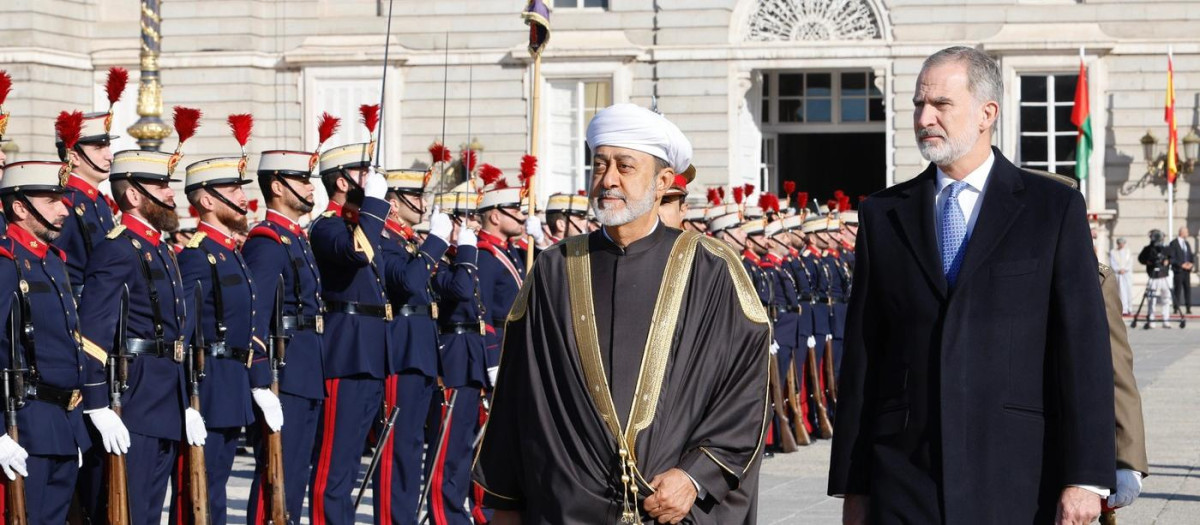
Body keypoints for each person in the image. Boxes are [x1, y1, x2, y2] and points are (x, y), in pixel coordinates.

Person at [828, 47, 1115, 525]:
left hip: (1016, 473)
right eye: (919, 104)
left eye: (941, 104)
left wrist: (1086, 477)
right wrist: (852, 486)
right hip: (905, 475)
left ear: (987, 113)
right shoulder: (884, 214)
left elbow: (1083, 350)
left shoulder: (1050, 209)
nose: (924, 118)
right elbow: (863, 357)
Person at [474, 103, 771, 524]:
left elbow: (745, 387)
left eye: (625, 166)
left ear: (662, 182)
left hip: (672, 507)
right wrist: (506, 504)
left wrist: (695, 476)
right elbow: (518, 394)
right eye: (600, 165)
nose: (608, 179)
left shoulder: (712, 268)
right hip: (567, 509)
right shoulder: (554, 268)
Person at [77, 149, 198, 525]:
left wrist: (186, 400)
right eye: (160, 186)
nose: (170, 193)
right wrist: (96, 404)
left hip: (165, 395)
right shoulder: (117, 249)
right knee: (123, 509)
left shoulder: (160, 248)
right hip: (133, 395)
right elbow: (91, 333)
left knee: (147, 511)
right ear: (133, 195)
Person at [170, 151, 280, 525]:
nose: (242, 198)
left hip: (231, 385)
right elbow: (182, 335)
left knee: (216, 489)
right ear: (207, 200)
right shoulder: (198, 256)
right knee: (197, 494)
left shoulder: (230, 252)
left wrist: (256, 383)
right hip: (207, 387)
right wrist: (185, 403)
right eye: (233, 190)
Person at [0, 161, 96, 524]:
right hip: (24, 424)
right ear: (20, 207)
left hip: (62, 425)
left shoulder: (53, 261)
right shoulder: (6, 262)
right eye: (51, 200)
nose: (64, 209)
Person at [307, 138, 392, 525]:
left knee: (352, 460)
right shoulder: (326, 227)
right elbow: (355, 253)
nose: (369, 177)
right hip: (345, 352)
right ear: (341, 181)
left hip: (370, 351)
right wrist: (373, 203)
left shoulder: (358, 225)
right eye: (361, 172)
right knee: (334, 464)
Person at [243, 149, 326, 524]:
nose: (310, 187)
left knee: (294, 477)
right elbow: (256, 314)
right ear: (277, 186)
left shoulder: (296, 239)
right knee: (275, 475)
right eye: (302, 180)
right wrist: (260, 380)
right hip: (284, 371)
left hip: (305, 367)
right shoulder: (267, 241)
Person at [375, 169, 451, 525]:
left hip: (420, 351)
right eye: (415, 196)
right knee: (396, 448)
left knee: (411, 449)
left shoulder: (407, 242)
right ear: (393, 204)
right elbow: (408, 281)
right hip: (400, 352)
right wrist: (436, 241)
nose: (422, 203)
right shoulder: (383, 239)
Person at [427, 191, 485, 525]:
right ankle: (444, 517)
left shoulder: (464, 258)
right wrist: (464, 249)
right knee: (446, 451)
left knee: (464, 449)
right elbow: (460, 290)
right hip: (451, 358)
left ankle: (456, 513)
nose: (474, 224)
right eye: (467, 218)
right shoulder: (438, 260)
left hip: (471, 357)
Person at [1139, 230, 1172, 328]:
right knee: (1151, 299)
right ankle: (1151, 319)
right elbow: (1141, 259)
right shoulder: (1148, 249)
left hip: (1164, 276)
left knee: (1166, 298)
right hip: (1153, 276)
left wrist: (1168, 261)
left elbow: (1173, 257)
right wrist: (1148, 261)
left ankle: (1166, 319)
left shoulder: (1166, 248)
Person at [1167, 226, 1193, 314]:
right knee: (1177, 290)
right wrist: (1181, 265)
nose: (1188, 233)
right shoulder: (1174, 243)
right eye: (1187, 232)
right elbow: (1172, 258)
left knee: (1187, 289)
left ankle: (1188, 307)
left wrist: (1190, 264)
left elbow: (1190, 255)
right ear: (1182, 232)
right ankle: (1176, 307)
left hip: (1187, 271)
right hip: (1178, 271)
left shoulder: (1187, 243)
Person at [1109, 237, 1134, 314]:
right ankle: (1123, 309)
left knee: (1128, 290)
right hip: (1118, 274)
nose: (1121, 245)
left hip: (1126, 274)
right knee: (1121, 291)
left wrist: (1125, 269)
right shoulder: (1113, 252)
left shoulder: (1128, 251)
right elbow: (1112, 263)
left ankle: (1129, 308)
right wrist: (1118, 269)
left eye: (1122, 243)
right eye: (1120, 243)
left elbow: (1130, 262)